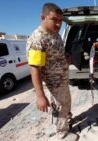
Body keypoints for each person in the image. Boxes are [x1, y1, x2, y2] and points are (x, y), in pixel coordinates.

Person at [26, 3, 78, 140]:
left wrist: (65, 57)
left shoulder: (55, 34)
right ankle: (62, 133)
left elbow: (56, 53)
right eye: (54, 20)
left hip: (62, 79)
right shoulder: (38, 39)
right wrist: (40, 96)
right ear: (43, 17)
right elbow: (35, 69)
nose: (58, 24)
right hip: (54, 83)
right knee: (60, 106)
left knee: (66, 102)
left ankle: (67, 120)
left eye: (60, 20)